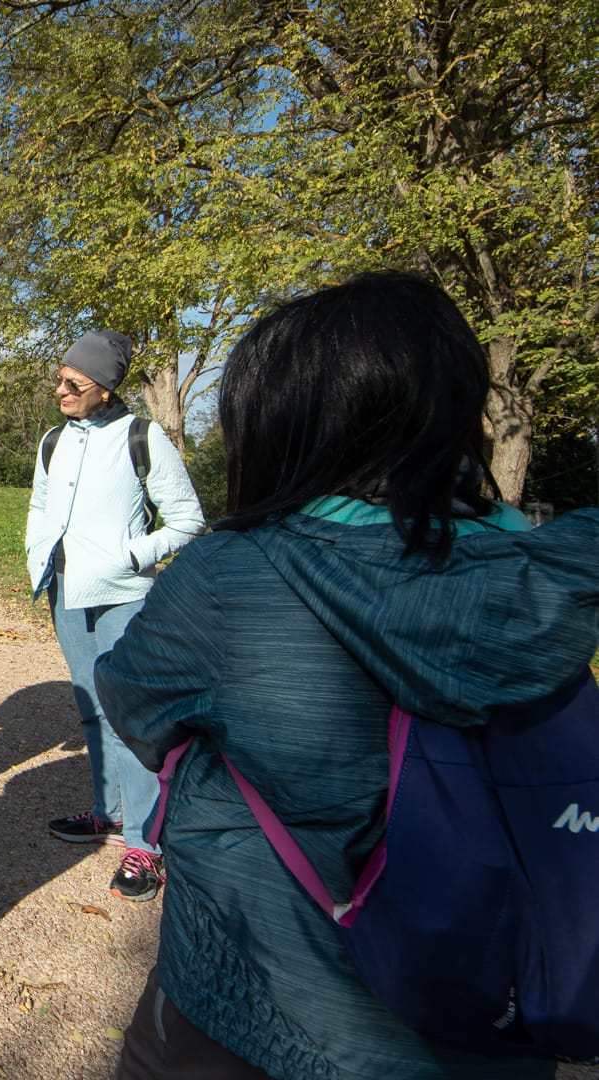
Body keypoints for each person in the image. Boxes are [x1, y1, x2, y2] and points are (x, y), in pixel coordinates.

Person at [96, 272, 599, 1078]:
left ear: (284, 426)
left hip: (260, 1006)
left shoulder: (237, 574)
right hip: (481, 1019)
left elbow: (131, 698)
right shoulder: (541, 573)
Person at [24, 331, 204, 901]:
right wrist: (38, 553)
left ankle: (145, 845)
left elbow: (187, 519)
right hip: (65, 591)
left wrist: (129, 555)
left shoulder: (143, 437)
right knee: (90, 710)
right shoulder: (53, 440)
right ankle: (108, 811)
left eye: (73, 383)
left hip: (123, 595)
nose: (61, 390)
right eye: (59, 379)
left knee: (129, 717)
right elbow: (37, 503)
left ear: (104, 388)